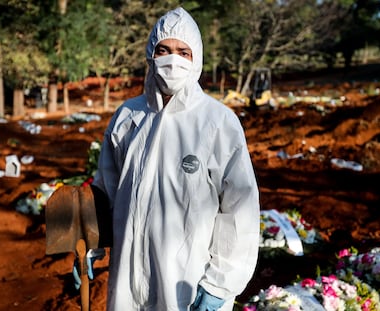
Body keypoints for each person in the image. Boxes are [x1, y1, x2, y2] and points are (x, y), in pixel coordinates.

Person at [80, 7, 260, 311]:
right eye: (163, 50)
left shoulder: (217, 122)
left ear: (196, 59)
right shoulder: (129, 116)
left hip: (186, 279)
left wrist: (220, 284)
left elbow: (240, 208)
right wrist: (90, 247)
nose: (172, 60)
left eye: (182, 52)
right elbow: (106, 189)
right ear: (152, 54)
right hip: (127, 276)